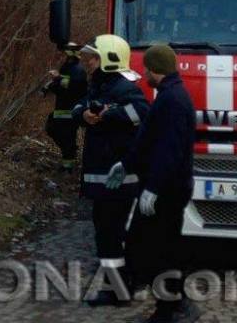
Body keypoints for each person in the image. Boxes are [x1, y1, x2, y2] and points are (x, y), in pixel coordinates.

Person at [106, 43, 199, 323]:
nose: (142, 71)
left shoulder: (172, 100)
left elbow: (168, 151)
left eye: (145, 67)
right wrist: (127, 165)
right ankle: (170, 302)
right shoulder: (170, 95)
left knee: (159, 249)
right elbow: (149, 141)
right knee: (145, 245)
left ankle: (172, 309)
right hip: (165, 187)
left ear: (154, 69)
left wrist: (153, 189)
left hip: (166, 190)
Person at [72, 34, 150, 307]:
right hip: (102, 177)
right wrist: (83, 114)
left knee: (112, 235)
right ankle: (118, 287)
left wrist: (107, 114)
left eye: (92, 57)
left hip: (118, 180)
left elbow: (140, 112)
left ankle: (118, 290)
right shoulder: (99, 85)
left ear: (107, 59)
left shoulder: (123, 87)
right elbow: (79, 106)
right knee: (105, 233)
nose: (87, 62)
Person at [43, 42, 87, 171]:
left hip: (71, 109)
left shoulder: (78, 70)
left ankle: (68, 166)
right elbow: (61, 87)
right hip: (62, 108)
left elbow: (74, 87)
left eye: (64, 53)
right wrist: (49, 87)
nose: (62, 55)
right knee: (53, 129)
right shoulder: (67, 67)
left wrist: (58, 78)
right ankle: (68, 156)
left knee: (67, 137)